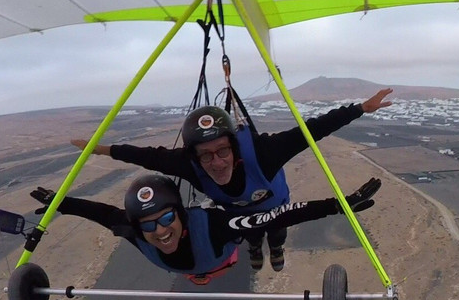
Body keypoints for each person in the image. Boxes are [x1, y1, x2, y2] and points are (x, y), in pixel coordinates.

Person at [71, 88, 394, 272]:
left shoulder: (264, 153)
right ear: (194, 156)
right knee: (249, 232)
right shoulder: (190, 164)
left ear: (235, 150)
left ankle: (275, 250)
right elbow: (144, 155)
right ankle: (256, 251)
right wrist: (99, 150)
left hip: (275, 204)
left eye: (222, 151)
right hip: (237, 214)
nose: (216, 162)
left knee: (273, 227)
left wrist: (360, 109)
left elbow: (311, 131)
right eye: (206, 156)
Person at [30, 174, 381, 285]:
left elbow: (279, 216)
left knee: (262, 224)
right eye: (149, 224)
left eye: (167, 218)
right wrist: (62, 202)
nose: (160, 231)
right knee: (256, 229)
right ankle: (259, 250)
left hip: (220, 249)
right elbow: (99, 212)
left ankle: (267, 251)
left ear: (181, 214)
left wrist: (339, 204)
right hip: (201, 265)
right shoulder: (136, 230)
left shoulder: (213, 226)